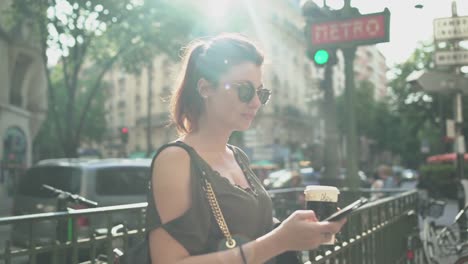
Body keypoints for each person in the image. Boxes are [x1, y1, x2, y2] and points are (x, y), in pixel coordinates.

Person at [146, 33, 346, 264]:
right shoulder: (175, 159)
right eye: (244, 90)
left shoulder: (237, 156)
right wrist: (279, 241)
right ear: (205, 88)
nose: (256, 102)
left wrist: (302, 229)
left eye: (261, 93)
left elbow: (254, 234)